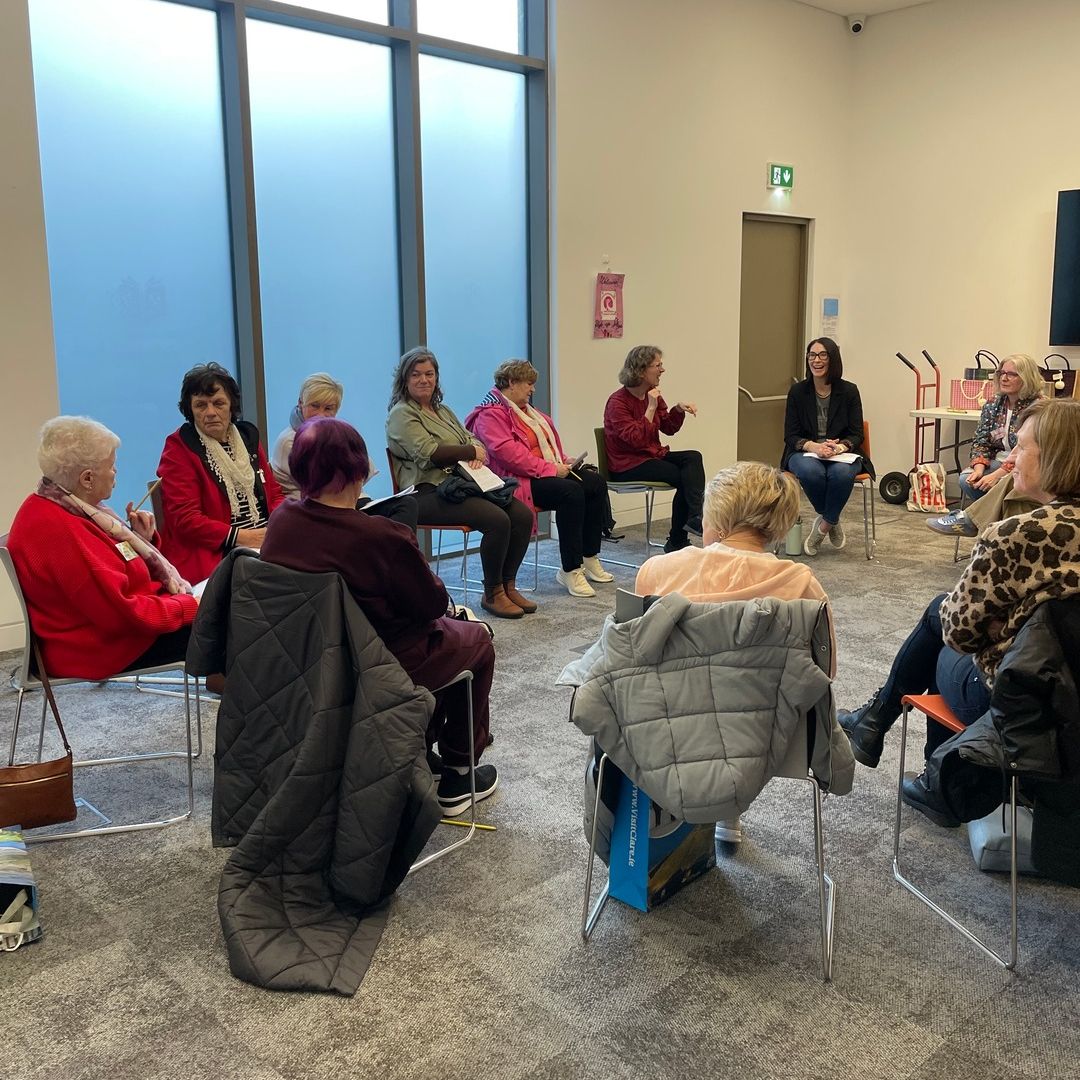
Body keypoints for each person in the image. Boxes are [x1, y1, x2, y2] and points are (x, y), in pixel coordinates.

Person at [838, 398, 1080, 819]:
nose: (1011, 458)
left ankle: (915, 755)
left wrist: (996, 627)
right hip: (1070, 703)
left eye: (1021, 448)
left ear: (1056, 457)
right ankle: (881, 729)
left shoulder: (1015, 535)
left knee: (938, 621)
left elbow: (959, 632)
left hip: (1018, 707)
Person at [259, 417, 498, 817]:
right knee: (475, 642)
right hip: (380, 660)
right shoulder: (380, 537)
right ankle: (460, 770)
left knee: (450, 637)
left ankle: (417, 752)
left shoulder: (282, 521)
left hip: (310, 659)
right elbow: (431, 605)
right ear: (357, 469)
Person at [635, 461, 835, 844]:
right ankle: (729, 807)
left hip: (659, 726)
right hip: (762, 737)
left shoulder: (656, 571)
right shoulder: (800, 583)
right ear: (778, 525)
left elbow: (632, 654)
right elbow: (825, 671)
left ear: (718, 519)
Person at [7, 416, 197, 680]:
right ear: (87, 478)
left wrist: (144, 539)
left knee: (232, 609)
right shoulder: (60, 530)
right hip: (103, 647)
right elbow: (126, 615)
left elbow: (113, 566)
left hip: (113, 629)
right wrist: (190, 606)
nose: (115, 472)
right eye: (112, 465)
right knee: (233, 623)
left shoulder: (63, 504)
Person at [386, 347, 534, 620]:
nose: (423, 380)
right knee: (497, 520)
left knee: (522, 515)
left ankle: (507, 584)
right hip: (424, 493)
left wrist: (474, 450)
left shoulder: (443, 411)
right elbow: (430, 452)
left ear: (436, 377)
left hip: (458, 485)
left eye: (429, 374)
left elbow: (472, 439)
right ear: (405, 379)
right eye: (416, 374)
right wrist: (469, 453)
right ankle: (493, 594)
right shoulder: (401, 414)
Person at [464, 359, 613, 598]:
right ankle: (571, 569)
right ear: (511, 383)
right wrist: (552, 469)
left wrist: (564, 460)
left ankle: (589, 554)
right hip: (512, 480)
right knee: (570, 492)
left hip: (540, 471)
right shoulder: (489, 415)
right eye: (528, 384)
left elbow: (547, 447)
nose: (533, 389)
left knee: (595, 483)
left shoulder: (528, 413)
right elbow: (509, 456)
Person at [157, 363, 284, 584]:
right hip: (216, 554)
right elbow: (187, 520)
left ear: (231, 406)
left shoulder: (247, 438)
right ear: (190, 409)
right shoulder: (178, 448)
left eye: (218, 403)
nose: (210, 413)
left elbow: (273, 492)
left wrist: (281, 525)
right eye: (200, 405)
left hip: (263, 543)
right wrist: (245, 538)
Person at [271, 371, 418, 531]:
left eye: (328, 408)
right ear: (300, 403)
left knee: (406, 504)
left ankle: (392, 554)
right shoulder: (290, 441)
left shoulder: (336, 433)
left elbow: (365, 469)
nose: (321, 414)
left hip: (353, 502)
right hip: (318, 510)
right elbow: (322, 486)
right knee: (376, 532)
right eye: (314, 406)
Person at [603, 344, 704, 554]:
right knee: (682, 476)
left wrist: (677, 410)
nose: (662, 370)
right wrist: (650, 407)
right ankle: (679, 537)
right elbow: (635, 440)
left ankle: (694, 517)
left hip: (651, 456)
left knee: (693, 458)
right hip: (627, 464)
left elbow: (669, 428)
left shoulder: (652, 395)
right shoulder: (617, 402)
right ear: (641, 370)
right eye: (657, 365)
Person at [782, 337, 868, 556]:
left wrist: (840, 447)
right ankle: (832, 518)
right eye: (812, 355)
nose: (816, 360)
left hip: (841, 453)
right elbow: (790, 435)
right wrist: (813, 446)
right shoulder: (798, 392)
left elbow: (857, 433)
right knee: (812, 472)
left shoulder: (849, 391)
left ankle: (824, 525)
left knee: (841, 473)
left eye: (822, 355)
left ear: (833, 359)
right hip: (804, 452)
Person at [955, 352, 1044, 503]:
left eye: (1012, 374)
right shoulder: (992, 404)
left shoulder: (1039, 407)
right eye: (1001, 373)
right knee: (967, 480)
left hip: (1027, 465)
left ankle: (992, 517)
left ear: (1026, 378)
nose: (1004, 378)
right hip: (998, 461)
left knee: (1006, 484)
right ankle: (997, 516)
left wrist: (997, 476)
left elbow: (1030, 451)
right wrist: (979, 469)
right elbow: (981, 441)